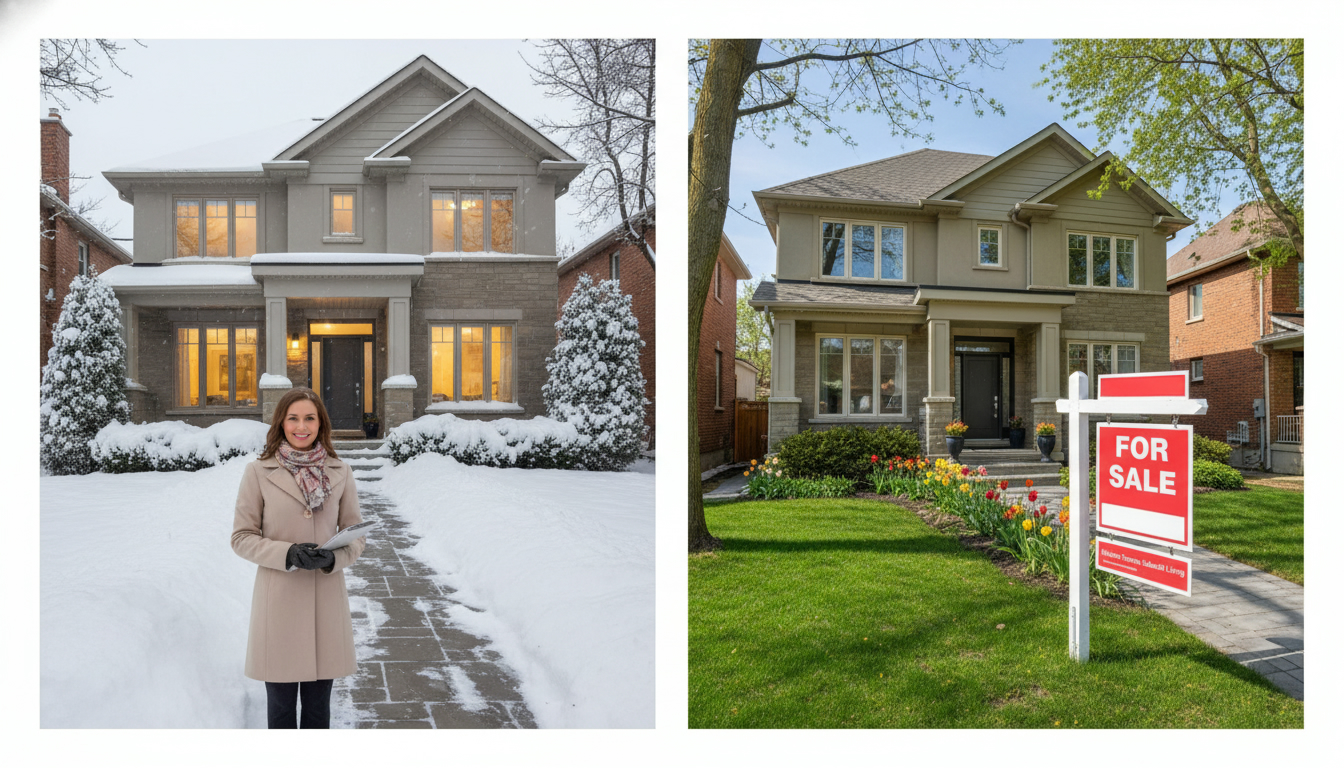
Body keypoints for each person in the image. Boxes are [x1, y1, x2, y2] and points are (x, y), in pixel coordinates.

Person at [231, 387, 367, 729]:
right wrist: (287, 553)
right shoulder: (258, 472)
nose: (301, 426)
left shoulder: (340, 471)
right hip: (279, 605)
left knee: (318, 713)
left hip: (325, 605)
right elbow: (241, 538)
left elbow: (356, 534)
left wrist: (333, 559)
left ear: (321, 424)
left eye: (310, 418)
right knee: (279, 712)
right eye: (293, 418)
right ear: (281, 422)